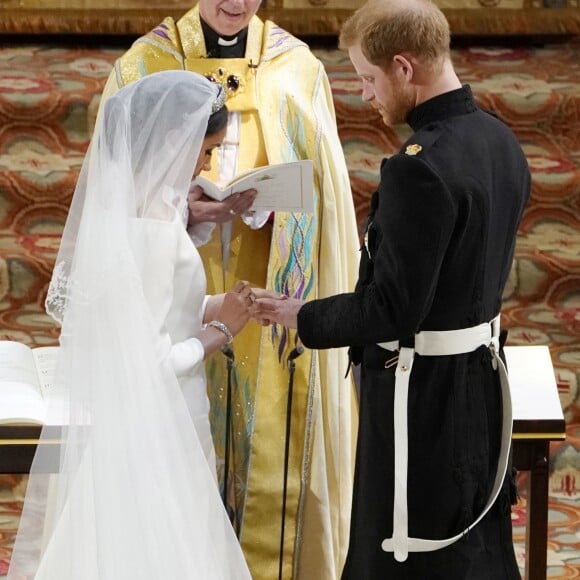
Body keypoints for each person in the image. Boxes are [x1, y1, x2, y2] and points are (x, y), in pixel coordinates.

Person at [255, 0, 531, 578]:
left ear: (404, 68)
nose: (365, 95)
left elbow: (392, 310)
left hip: (420, 400)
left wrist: (300, 315)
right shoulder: (500, 139)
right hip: (480, 385)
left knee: (406, 555)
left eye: (368, 78)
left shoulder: (417, 168)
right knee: (473, 550)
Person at [98, 1, 360, 578]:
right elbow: (116, 193)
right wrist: (180, 214)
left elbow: (322, 196)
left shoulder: (297, 69)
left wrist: (267, 209)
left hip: (258, 278)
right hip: (176, 292)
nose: (237, 3)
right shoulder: (145, 66)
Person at [8, 70, 254, 579]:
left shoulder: (134, 213)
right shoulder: (153, 231)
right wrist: (223, 331)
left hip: (136, 414)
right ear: (174, 139)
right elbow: (152, 365)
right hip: (159, 419)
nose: (207, 163)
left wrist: (216, 305)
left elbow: (151, 311)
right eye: (205, 150)